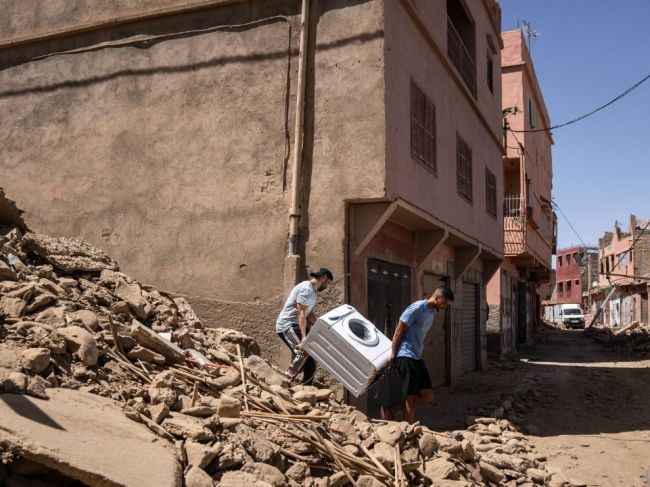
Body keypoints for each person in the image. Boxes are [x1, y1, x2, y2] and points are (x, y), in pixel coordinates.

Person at [380, 286, 454, 423]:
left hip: (416, 357)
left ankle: (392, 409)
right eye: (444, 303)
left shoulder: (432, 312)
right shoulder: (417, 308)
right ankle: (408, 431)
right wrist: (393, 354)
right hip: (405, 355)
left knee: (428, 395)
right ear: (437, 298)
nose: (444, 307)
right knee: (411, 397)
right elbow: (398, 330)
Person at [276, 267, 333, 387]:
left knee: (310, 361)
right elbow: (301, 313)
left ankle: (306, 389)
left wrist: (319, 326)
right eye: (328, 283)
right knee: (304, 351)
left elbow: (308, 314)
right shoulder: (306, 289)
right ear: (324, 278)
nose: (327, 286)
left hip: (296, 325)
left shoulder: (312, 292)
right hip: (288, 325)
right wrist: (303, 337)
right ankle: (286, 381)